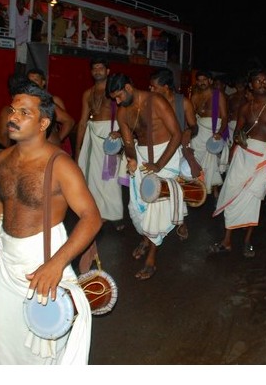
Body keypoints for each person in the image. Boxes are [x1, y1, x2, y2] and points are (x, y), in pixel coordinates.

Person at [0, 80, 101, 364]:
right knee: (3, 343)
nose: (13, 117)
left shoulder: (60, 165)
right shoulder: (1, 160)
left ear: (43, 123)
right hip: (6, 264)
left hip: (44, 260)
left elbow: (92, 218)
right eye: (13, 110)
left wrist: (56, 264)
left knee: (44, 351)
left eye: (24, 113)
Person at [107, 73, 183, 280]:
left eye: (119, 96)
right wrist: (131, 159)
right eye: (114, 98)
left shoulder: (155, 101)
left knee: (155, 209)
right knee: (137, 206)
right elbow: (129, 143)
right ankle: (146, 237)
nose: (117, 101)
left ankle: (151, 258)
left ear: (129, 88)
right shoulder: (122, 112)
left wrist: (159, 165)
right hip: (142, 158)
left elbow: (177, 134)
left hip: (165, 156)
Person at [210, 68, 266, 258]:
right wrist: (239, 139)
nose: (262, 83)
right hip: (243, 156)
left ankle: (247, 241)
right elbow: (237, 133)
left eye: (265, 80)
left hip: (263, 158)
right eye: (258, 81)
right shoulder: (245, 108)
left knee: (253, 200)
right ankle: (227, 241)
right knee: (232, 193)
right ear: (251, 85)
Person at [76, 57, 126, 240]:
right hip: (92, 135)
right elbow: (82, 122)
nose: (97, 71)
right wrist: (77, 150)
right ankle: (98, 212)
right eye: (94, 68)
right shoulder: (87, 93)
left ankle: (114, 215)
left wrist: (121, 132)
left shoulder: (114, 91)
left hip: (110, 137)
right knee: (92, 177)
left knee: (110, 177)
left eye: (100, 68)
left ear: (107, 71)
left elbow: (126, 114)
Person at [149, 67, 198, 241]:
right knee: (155, 187)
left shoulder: (183, 103)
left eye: (154, 87)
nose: (151, 90)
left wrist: (189, 131)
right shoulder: (151, 102)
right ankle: (152, 227)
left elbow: (194, 126)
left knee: (175, 186)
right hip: (155, 148)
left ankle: (180, 221)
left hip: (175, 149)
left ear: (166, 86)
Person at [190, 70, 228, 198]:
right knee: (196, 160)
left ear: (210, 81)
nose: (201, 82)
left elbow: (224, 116)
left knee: (213, 163)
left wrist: (220, 132)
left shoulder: (218, 95)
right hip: (199, 134)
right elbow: (191, 116)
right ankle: (199, 187)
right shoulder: (194, 97)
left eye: (204, 80)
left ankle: (214, 188)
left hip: (213, 132)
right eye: (199, 80)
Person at [26, 68, 75, 154]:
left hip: (51, 148)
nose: (32, 83)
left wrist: (58, 139)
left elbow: (68, 122)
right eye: (30, 81)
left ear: (43, 82)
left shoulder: (53, 100)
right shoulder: (26, 101)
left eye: (36, 80)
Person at [14, 0, 30, 75]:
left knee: (23, 63)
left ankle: (21, 80)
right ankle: (15, 80)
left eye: (22, 2)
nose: (20, 3)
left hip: (24, 42)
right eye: (18, 1)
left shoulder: (28, 12)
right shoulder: (12, 9)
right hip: (14, 41)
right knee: (15, 63)